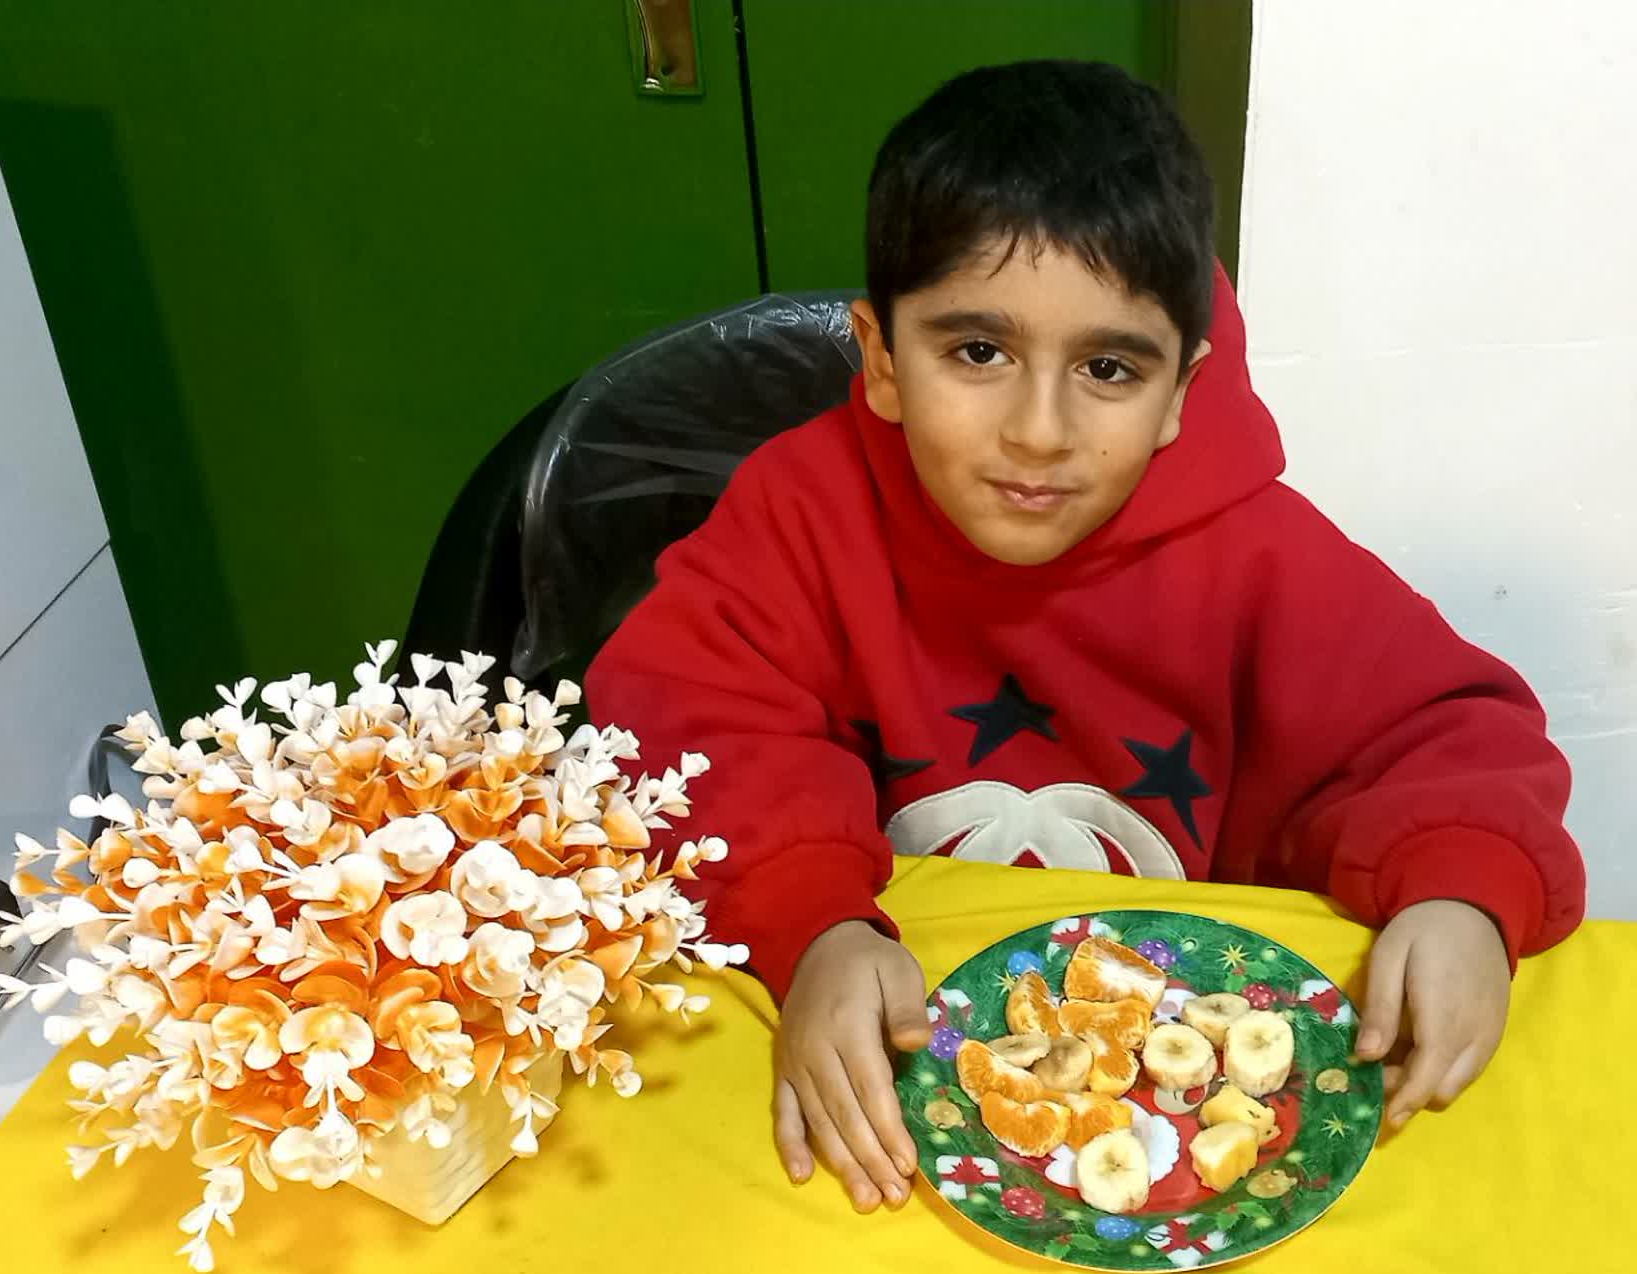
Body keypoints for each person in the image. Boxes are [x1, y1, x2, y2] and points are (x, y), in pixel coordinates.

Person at [584, 60, 1586, 1213]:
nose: (1039, 431)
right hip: (878, 1078)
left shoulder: (1260, 552)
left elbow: (1451, 738)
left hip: (1171, 1127)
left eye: (1108, 368)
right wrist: (809, 923)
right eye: (978, 352)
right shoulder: (800, 508)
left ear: (1181, 390)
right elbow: (683, 712)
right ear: (881, 356)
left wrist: (1461, 893)